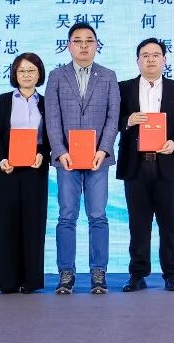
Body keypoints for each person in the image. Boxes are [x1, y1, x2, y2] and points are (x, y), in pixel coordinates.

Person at [45, 23, 120, 295]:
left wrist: (104, 149)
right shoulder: (56, 76)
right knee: (67, 216)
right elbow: (52, 117)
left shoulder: (108, 76)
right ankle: (66, 273)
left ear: (97, 45)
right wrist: (60, 151)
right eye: (78, 41)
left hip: (98, 158)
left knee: (98, 216)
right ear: (69, 46)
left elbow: (113, 116)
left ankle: (98, 273)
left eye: (89, 40)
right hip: (67, 159)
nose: (84, 45)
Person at [117, 38, 174, 293]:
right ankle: (137, 274)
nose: (150, 59)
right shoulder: (123, 88)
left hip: (167, 164)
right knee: (138, 224)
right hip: (136, 165)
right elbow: (111, 118)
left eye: (155, 55)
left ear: (165, 60)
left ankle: (171, 274)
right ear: (137, 60)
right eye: (145, 55)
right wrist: (128, 120)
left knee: (169, 223)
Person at [0, 52, 50, 294]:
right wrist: (1, 158)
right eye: (22, 71)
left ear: (39, 74)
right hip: (9, 167)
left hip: (36, 167)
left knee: (34, 222)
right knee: (7, 222)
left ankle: (31, 280)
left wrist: (43, 154)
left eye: (31, 71)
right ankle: (8, 280)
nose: (26, 75)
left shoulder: (46, 102)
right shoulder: (3, 101)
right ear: (14, 74)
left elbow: (51, 135)